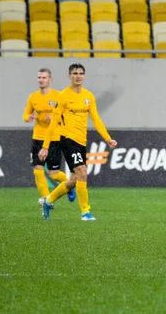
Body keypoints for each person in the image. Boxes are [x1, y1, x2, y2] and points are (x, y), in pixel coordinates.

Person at [38, 63, 117, 221]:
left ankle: (48, 201)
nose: (78, 76)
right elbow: (54, 122)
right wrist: (45, 147)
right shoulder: (63, 96)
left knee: (75, 179)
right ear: (69, 76)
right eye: (75, 73)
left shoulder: (88, 96)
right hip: (67, 140)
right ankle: (85, 212)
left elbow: (96, 120)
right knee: (82, 172)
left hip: (81, 141)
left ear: (84, 76)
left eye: (81, 73)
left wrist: (108, 138)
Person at [23, 68, 76, 203]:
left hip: (54, 138)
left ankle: (69, 185)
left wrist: (54, 119)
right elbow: (26, 114)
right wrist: (27, 117)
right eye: (39, 77)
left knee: (54, 174)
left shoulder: (58, 96)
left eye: (44, 77)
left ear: (50, 80)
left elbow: (67, 117)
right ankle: (46, 200)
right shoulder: (33, 97)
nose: (41, 80)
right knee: (37, 170)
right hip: (38, 138)